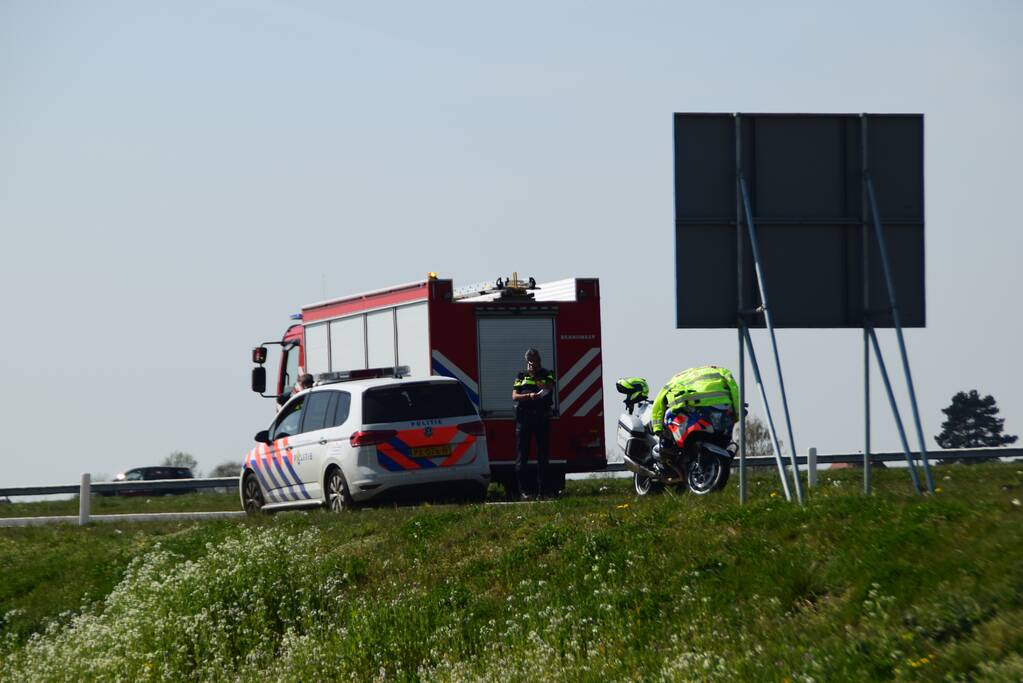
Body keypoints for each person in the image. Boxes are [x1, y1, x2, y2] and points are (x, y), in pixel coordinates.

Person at [650, 365, 740, 448]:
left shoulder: (676, 378)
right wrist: (737, 413)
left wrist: (657, 428)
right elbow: (735, 391)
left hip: (692, 415)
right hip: (721, 410)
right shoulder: (721, 371)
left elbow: (658, 403)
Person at [511, 348, 556, 500]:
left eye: (535, 360)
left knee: (543, 455)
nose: (532, 363)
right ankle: (524, 491)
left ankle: (543, 491)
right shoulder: (521, 375)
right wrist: (528, 396)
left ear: (539, 359)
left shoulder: (547, 373)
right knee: (522, 455)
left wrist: (535, 376)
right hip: (524, 418)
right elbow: (514, 396)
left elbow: (548, 388)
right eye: (530, 360)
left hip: (541, 417)